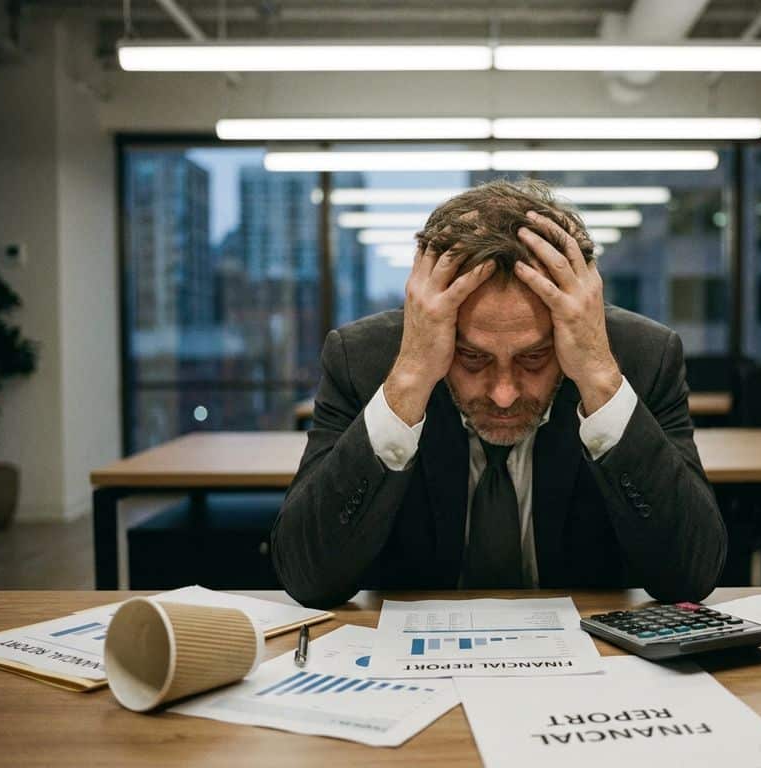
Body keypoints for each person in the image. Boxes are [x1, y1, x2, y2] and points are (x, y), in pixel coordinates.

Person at [272, 179, 726, 608]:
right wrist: (408, 379)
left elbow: (691, 576)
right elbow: (308, 577)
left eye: (534, 358)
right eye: (473, 358)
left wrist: (599, 378)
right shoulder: (365, 362)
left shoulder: (640, 360)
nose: (504, 395)